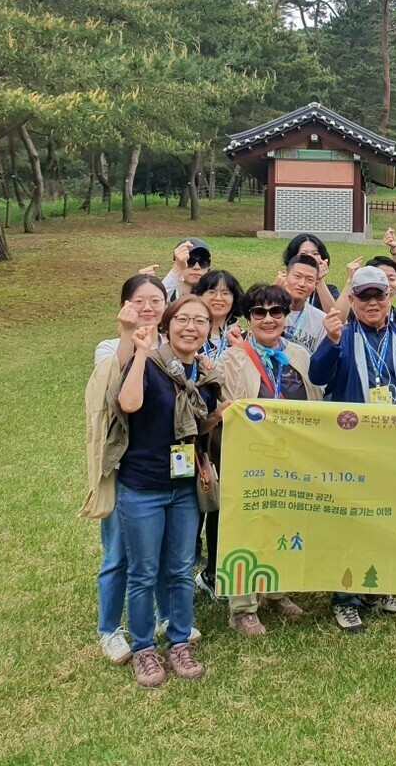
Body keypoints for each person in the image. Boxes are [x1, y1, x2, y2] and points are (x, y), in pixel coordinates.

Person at [113, 296, 225, 687]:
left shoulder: (204, 376)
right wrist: (141, 354)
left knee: (179, 570)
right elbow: (128, 404)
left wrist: (218, 415)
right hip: (143, 485)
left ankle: (179, 641)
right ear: (167, 324)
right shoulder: (148, 364)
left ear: (209, 331)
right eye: (183, 320)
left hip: (184, 489)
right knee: (144, 573)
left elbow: (198, 427)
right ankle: (144, 648)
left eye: (200, 321)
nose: (191, 327)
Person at [86, 274, 191, 666]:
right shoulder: (110, 346)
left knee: (167, 553)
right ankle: (110, 629)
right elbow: (115, 394)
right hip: (125, 468)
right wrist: (129, 335)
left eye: (156, 300)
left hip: (170, 471)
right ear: (125, 304)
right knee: (119, 555)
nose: (148, 307)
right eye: (139, 300)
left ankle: (166, 617)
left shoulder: (175, 345)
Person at [309, 266, 396, 632]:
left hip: (393, 446)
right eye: (364, 296)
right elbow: (318, 375)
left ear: (389, 299)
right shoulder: (342, 335)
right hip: (352, 447)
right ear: (352, 300)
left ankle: (381, 586)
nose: (373, 303)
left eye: (379, 296)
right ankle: (346, 598)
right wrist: (331, 341)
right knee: (352, 522)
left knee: (388, 517)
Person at [216, 282, 321, 634]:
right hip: (250, 459)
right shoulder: (233, 358)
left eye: (276, 311)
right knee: (248, 527)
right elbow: (229, 409)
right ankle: (243, 607)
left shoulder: (299, 356)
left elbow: (316, 403)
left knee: (284, 523)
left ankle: (276, 591)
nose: (268, 318)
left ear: (286, 315)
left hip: (292, 460)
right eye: (259, 312)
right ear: (248, 318)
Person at [190, 270, 243, 603]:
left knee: (222, 502)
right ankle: (184, 570)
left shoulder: (240, 336)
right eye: (212, 291)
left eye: (226, 292)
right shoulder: (188, 332)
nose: (219, 298)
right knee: (192, 502)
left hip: (230, 436)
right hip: (195, 433)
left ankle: (213, 573)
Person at [278, 255, 328, 355]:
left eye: (309, 280)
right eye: (297, 276)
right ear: (285, 276)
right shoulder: (267, 313)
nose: (302, 284)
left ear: (315, 284)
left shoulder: (321, 321)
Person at [282, 233, 339, 310]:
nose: (310, 257)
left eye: (315, 253)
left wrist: (319, 279)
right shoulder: (282, 285)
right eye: (303, 254)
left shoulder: (331, 290)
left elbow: (335, 316)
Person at [153, 238, 210, 302]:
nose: (197, 267)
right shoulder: (168, 293)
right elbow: (157, 300)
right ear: (175, 265)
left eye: (203, 262)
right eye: (190, 261)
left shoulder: (214, 298)